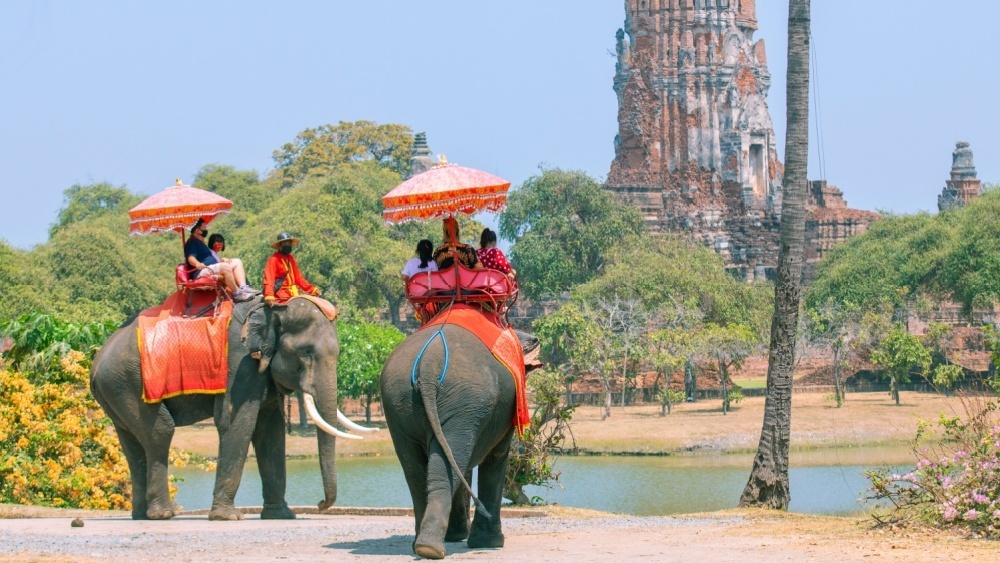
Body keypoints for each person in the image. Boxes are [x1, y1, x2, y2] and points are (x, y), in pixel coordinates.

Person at [184, 219, 255, 301]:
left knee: (237, 262)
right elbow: (190, 258)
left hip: (210, 267)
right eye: (204, 227)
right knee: (225, 267)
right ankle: (237, 293)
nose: (206, 229)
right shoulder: (192, 242)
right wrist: (197, 264)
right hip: (201, 271)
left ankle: (243, 287)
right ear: (197, 230)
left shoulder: (200, 242)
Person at [263, 232, 323, 306]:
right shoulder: (273, 260)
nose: (287, 246)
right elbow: (269, 280)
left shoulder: (290, 258)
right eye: (285, 244)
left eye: (289, 244)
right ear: (279, 246)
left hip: (294, 294)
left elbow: (299, 278)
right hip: (281, 296)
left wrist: (313, 290)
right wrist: (269, 296)